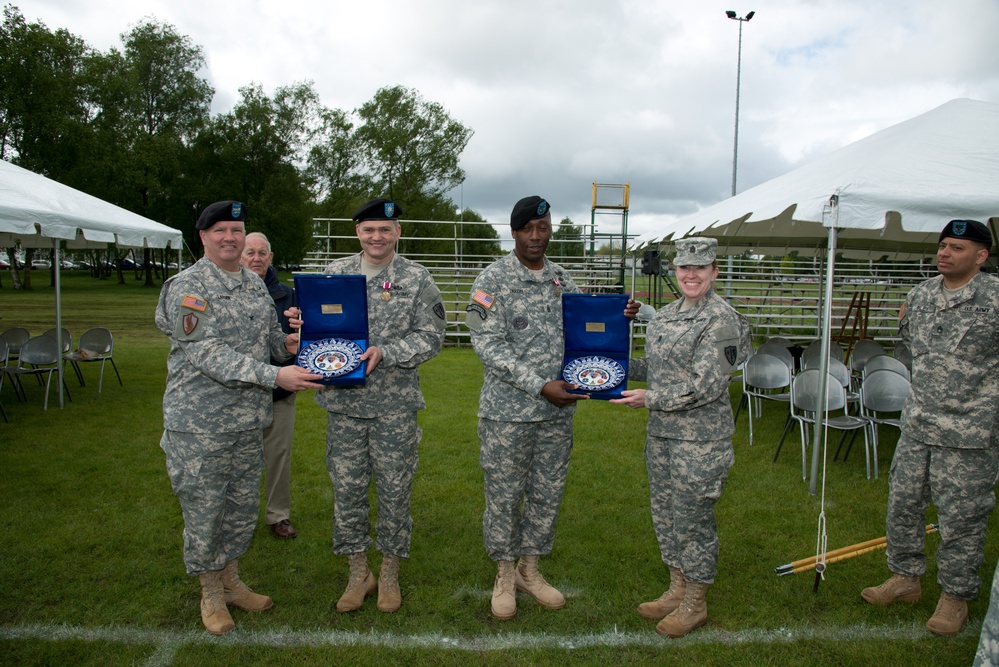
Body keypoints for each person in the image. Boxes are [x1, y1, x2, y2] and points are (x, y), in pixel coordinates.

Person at [465, 195, 638, 621]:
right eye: (528, 228)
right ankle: (505, 574)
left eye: (543, 228)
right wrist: (539, 385)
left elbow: (584, 326)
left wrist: (617, 317)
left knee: (547, 494)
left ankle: (530, 569)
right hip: (508, 414)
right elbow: (487, 345)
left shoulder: (561, 278)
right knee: (504, 496)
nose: (536, 236)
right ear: (514, 232)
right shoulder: (492, 280)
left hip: (557, 414)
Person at [155, 201, 323, 636]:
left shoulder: (253, 283)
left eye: (236, 229)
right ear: (203, 237)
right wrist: (275, 375)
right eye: (220, 230)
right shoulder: (188, 287)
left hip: (248, 420)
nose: (229, 237)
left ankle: (231, 580)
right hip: (201, 424)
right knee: (205, 509)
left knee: (240, 509)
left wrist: (288, 345)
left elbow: (267, 339)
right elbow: (206, 353)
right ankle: (210, 593)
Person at [861, 219, 999, 637]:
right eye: (943, 245)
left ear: (981, 256)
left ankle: (955, 596)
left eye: (957, 247)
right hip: (919, 424)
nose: (945, 253)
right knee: (903, 504)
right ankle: (905, 577)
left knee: (962, 517)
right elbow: (912, 347)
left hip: (970, 432)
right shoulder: (920, 296)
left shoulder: (994, 297)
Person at [611, 236, 750, 638]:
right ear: (675, 270)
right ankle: (677, 588)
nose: (691, 275)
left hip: (700, 442)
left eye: (700, 268)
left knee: (693, 521)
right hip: (662, 436)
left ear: (714, 272)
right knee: (666, 515)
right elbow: (655, 368)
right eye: (685, 267)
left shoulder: (723, 321)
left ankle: (695, 602)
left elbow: (707, 386)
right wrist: (608, 366)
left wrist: (649, 398)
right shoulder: (667, 316)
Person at [315, 197, 446, 614]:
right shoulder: (335, 274)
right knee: (348, 491)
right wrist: (303, 326)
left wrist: (387, 352)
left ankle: (389, 572)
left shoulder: (417, 278)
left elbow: (432, 337)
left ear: (397, 233)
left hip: (395, 407)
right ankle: (358, 572)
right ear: (357, 232)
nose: (377, 237)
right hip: (344, 405)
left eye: (385, 230)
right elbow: (319, 330)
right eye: (369, 229)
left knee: (395, 490)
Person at [241, 232, 298, 540]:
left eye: (262, 253)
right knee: (240, 459)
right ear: (240, 255)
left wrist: (299, 328)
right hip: (238, 392)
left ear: (271, 257)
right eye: (250, 252)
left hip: (279, 391)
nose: (256, 258)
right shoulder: (228, 291)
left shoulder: (287, 295)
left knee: (278, 455)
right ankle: (239, 518)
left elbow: (299, 338)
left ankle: (278, 515)